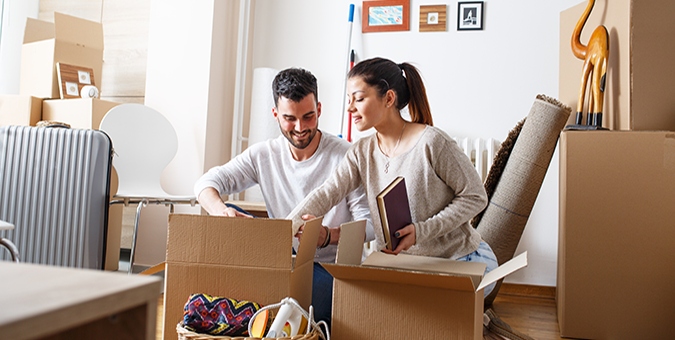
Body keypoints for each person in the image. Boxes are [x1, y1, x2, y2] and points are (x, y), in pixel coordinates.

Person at [287, 57, 498, 296]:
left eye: (358, 99)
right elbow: (328, 192)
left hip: (460, 259)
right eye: (349, 100)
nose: (349, 108)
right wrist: (285, 229)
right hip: (400, 265)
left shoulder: (432, 142)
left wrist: (421, 231)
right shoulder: (361, 152)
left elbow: (475, 196)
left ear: (388, 98)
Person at [194, 67, 374, 326]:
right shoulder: (264, 155)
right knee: (227, 214)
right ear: (276, 115)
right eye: (290, 118)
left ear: (319, 110)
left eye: (308, 117)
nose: (300, 128)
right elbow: (206, 183)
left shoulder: (347, 156)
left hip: (330, 269)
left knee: (289, 301)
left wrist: (327, 236)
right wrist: (222, 212)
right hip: (283, 262)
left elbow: (369, 226)